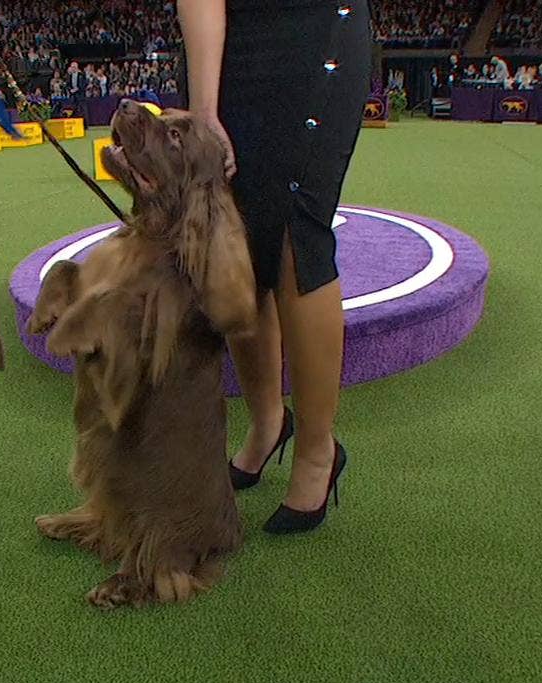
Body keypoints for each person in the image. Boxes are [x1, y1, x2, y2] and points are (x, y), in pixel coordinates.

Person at [177, 0, 369, 534]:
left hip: (313, 38)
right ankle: (267, 423)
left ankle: (316, 451)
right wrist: (203, 108)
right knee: (234, 239)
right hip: (225, 47)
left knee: (293, 234)